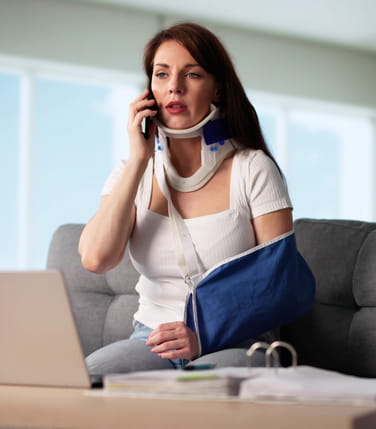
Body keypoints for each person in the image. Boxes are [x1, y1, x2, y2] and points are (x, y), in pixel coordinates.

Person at [78, 22, 293, 375]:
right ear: (149, 91)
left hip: (236, 341)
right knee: (87, 382)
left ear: (218, 90)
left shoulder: (253, 168)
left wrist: (205, 335)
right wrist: (138, 161)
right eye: (161, 75)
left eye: (191, 74)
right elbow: (96, 258)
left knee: (197, 393)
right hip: (151, 340)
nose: (174, 86)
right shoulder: (131, 172)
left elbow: (278, 284)